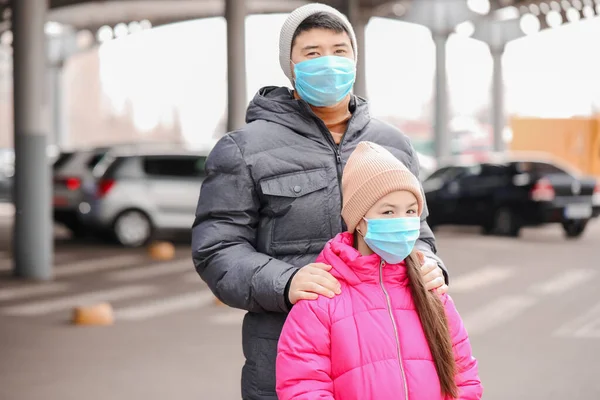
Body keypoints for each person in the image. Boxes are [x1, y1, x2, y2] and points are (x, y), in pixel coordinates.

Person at [192, 3, 448, 399]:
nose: (328, 62)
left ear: (354, 59)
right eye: (312, 53)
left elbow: (420, 234)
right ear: (290, 65)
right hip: (290, 358)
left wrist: (431, 265)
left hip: (387, 360)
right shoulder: (244, 149)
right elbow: (217, 249)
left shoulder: (393, 145)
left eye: (339, 50)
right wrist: (287, 280)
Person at [276, 141, 483, 400]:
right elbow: (303, 388)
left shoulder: (430, 288)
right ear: (359, 220)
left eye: (410, 211)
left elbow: (464, 378)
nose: (402, 221)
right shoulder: (321, 298)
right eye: (388, 211)